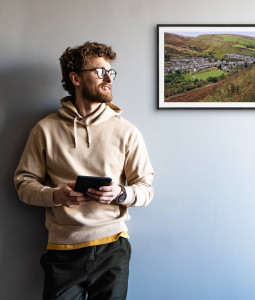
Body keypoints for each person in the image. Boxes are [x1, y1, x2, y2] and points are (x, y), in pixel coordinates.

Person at [14, 42, 154, 300]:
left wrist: (120, 193)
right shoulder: (44, 130)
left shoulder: (127, 131)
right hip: (62, 250)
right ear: (75, 78)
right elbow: (24, 184)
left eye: (110, 72)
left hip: (113, 248)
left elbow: (146, 189)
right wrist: (56, 195)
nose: (108, 78)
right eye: (100, 71)